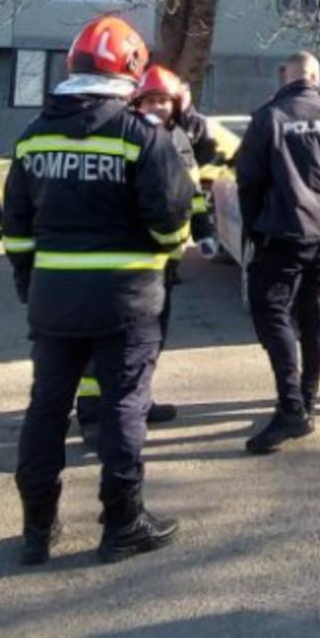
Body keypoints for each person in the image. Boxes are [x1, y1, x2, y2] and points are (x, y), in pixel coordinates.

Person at [3, 16, 194, 566]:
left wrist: (30, 279)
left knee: (46, 410)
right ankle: (123, 523)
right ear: (131, 69)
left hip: (53, 300)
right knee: (124, 409)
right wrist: (165, 252)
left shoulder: (34, 135)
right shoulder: (141, 136)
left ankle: (37, 531)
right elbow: (170, 220)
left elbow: (14, 227)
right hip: (127, 301)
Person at [71, 65, 212, 435]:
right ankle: (92, 416)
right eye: (151, 99)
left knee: (148, 344)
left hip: (166, 262)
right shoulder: (128, 135)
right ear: (137, 102)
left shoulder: (180, 138)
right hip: (129, 258)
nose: (159, 107)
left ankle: (138, 403)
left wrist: (204, 229)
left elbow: (191, 193)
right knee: (105, 341)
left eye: (165, 100)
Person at [235, 51, 320, 455]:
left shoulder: (270, 117)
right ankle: (306, 401)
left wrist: (255, 227)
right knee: (313, 313)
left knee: (270, 312)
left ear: (285, 76)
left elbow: (248, 181)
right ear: (316, 77)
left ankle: (292, 408)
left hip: (283, 234)